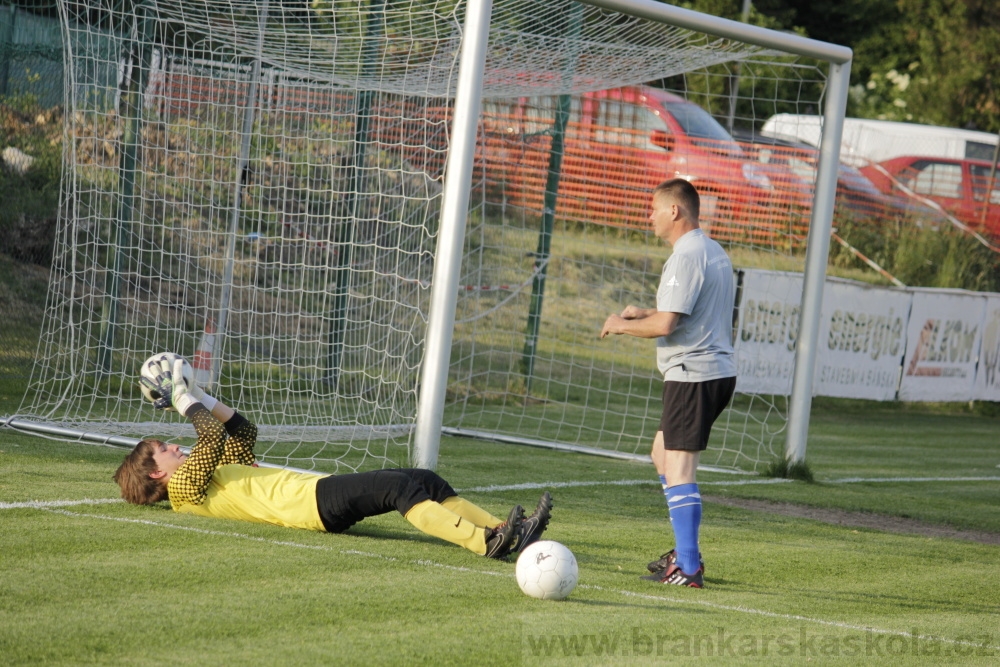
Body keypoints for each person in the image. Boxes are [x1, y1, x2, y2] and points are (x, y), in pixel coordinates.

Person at [114, 357, 552, 560]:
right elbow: (208, 434)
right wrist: (180, 396)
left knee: (423, 478)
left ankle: (503, 529)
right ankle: (486, 543)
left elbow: (240, 431)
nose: (173, 446)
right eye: (163, 450)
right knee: (397, 489)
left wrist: (200, 393)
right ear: (156, 472)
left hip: (314, 494)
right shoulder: (185, 491)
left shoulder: (207, 472)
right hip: (312, 507)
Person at [600, 178, 736, 588]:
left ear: (675, 211)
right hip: (710, 370)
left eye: (655, 209)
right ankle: (684, 550)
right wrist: (642, 311)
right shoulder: (710, 250)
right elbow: (685, 313)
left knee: (679, 467)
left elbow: (666, 324)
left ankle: (688, 567)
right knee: (662, 454)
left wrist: (620, 327)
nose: (650, 216)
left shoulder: (686, 256)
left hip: (693, 373)